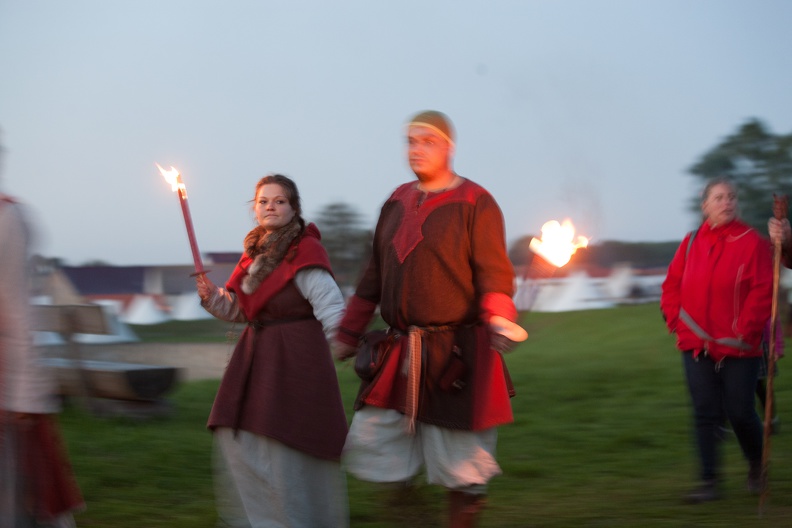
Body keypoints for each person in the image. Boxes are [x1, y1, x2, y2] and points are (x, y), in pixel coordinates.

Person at [332, 110, 527, 527]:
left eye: (428, 141)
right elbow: (373, 276)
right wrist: (348, 333)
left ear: (449, 148)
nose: (417, 150)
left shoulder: (476, 201)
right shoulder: (396, 200)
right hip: (399, 349)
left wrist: (499, 318)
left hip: (456, 353)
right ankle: (411, 514)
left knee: (461, 464)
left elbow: (494, 274)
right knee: (375, 444)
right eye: (411, 141)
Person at [195, 174, 349, 527]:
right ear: (255, 208)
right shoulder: (253, 254)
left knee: (288, 445)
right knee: (246, 440)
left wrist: (345, 344)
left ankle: (298, 518)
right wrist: (211, 296)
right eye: (264, 201)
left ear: (294, 208)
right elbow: (238, 310)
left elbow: (330, 308)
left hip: (296, 359)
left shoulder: (304, 250)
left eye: (279, 201)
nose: (270, 207)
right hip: (256, 358)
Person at [660, 176, 772, 504]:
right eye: (720, 197)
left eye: (732, 197)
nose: (727, 203)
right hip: (696, 346)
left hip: (740, 346)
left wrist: (745, 330)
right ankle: (708, 481)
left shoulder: (753, 242)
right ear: (705, 204)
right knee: (705, 412)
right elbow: (672, 286)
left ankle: (756, 463)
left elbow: (763, 291)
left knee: (739, 412)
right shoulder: (691, 241)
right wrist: (677, 323)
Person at [0, 163, 84, 524]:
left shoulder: (7, 217)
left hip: (8, 380)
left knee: (23, 493)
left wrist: (25, 390)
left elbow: (13, 304)